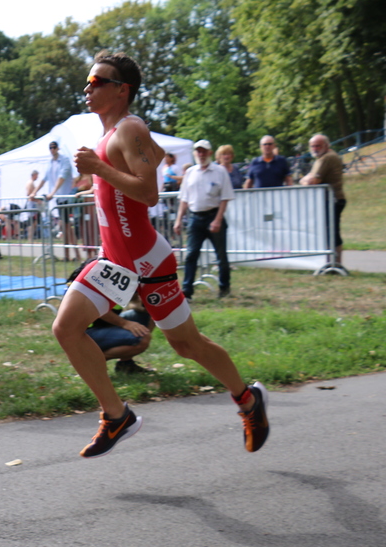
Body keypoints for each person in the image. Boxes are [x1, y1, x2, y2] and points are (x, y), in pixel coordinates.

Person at [52, 51, 269, 458]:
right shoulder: (111, 134)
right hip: (115, 261)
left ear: (122, 90)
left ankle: (248, 399)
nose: (87, 88)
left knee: (187, 345)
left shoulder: (130, 128)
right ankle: (117, 416)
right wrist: (98, 181)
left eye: (96, 81)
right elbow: (129, 181)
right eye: (88, 81)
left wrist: (99, 169)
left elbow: (149, 193)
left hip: (147, 261)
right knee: (66, 328)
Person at [174, 140, 235, 299]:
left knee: (221, 256)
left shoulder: (220, 171)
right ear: (195, 153)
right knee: (191, 255)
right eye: (198, 151)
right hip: (195, 218)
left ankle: (224, 287)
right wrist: (179, 220)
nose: (201, 154)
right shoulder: (190, 172)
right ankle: (187, 290)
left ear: (209, 153)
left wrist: (218, 219)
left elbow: (225, 197)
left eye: (203, 151)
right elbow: (184, 199)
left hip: (213, 216)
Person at [299, 133, 346, 268]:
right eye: (312, 146)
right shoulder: (323, 158)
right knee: (329, 232)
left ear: (326, 145)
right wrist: (307, 178)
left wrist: (303, 180)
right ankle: (331, 263)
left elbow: (313, 181)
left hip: (332, 200)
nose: (315, 148)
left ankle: (335, 264)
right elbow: (310, 176)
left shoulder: (327, 158)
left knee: (332, 233)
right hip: (330, 200)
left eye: (318, 146)